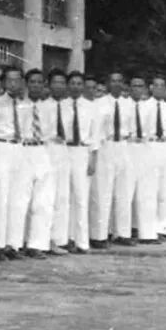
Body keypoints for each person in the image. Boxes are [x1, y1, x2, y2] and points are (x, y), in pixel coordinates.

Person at [91, 70, 134, 249]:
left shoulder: (129, 103)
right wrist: (94, 153)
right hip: (106, 146)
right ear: (108, 83)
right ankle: (99, 235)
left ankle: (122, 233)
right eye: (113, 81)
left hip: (123, 145)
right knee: (103, 192)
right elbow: (96, 130)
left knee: (124, 192)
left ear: (123, 84)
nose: (116, 84)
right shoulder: (99, 103)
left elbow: (131, 128)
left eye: (119, 81)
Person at [0, 67, 26, 261]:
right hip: (2, 147)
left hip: (19, 149)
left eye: (17, 80)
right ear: (4, 83)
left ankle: (14, 243)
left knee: (17, 199)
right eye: (10, 80)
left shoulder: (25, 105)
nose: (13, 84)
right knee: (1, 198)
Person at [61, 71, 98, 254]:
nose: (75, 86)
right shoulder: (61, 106)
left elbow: (94, 136)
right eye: (72, 83)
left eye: (78, 83)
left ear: (82, 86)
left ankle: (82, 241)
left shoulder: (91, 107)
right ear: (68, 86)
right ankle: (65, 238)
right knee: (64, 197)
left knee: (81, 197)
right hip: (64, 150)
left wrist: (93, 159)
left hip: (82, 151)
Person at [17, 69, 52, 259]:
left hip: (42, 150)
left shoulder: (48, 108)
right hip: (24, 150)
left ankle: (36, 244)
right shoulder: (19, 106)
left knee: (43, 201)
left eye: (40, 82)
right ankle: (18, 242)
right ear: (26, 84)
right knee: (22, 199)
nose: (36, 86)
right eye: (32, 82)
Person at [142, 75, 166, 240]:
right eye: (156, 85)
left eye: (162, 86)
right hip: (150, 146)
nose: (159, 88)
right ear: (151, 87)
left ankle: (164, 228)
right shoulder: (144, 106)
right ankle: (148, 231)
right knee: (150, 189)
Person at [127, 75, 158, 244]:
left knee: (146, 192)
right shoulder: (124, 105)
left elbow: (152, 130)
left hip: (145, 147)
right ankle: (127, 230)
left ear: (145, 89)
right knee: (127, 191)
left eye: (140, 86)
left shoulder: (149, 108)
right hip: (128, 147)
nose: (137, 89)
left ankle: (147, 233)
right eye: (134, 86)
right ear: (129, 88)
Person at [46, 69, 71, 255]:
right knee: (48, 197)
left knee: (62, 197)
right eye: (55, 82)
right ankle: (45, 239)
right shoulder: (42, 106)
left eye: (62, 83)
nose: (59, 86)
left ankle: (58, 239)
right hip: (47, 151)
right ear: (49, 85)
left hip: (63, 151)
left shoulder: (69, 107)